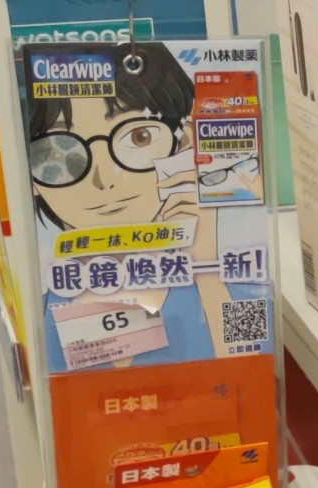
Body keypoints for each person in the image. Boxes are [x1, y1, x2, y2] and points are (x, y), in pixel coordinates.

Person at [25, 42, 255, 367]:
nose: (104, 179)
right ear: (32, 179)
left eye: (139, 138)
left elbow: (251, 369)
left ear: (184, 142)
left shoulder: (238, 288)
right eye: (61, 150)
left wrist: (207, 271)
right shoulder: (38, 308)